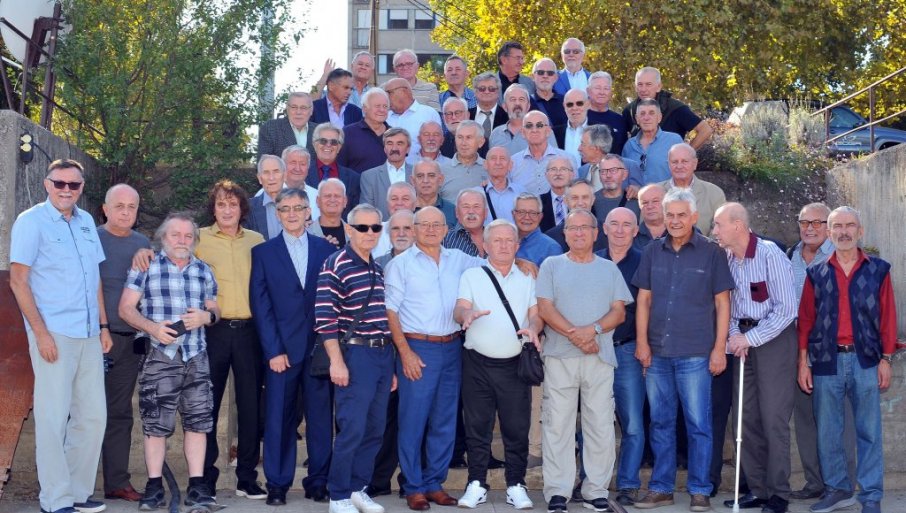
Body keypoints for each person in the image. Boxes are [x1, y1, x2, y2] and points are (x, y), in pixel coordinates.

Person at [10, 159, 111, 513]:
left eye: (74, 184)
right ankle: (54, 500)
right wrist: (40, 334)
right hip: (53, 332)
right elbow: (18, 281)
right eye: (60, 183)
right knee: (53, 418)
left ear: (81, 188)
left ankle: (77, 493)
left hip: (89, 334)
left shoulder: (86, 222)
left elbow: (93, 278)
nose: (66, 190)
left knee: (93, 417)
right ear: (47, 184)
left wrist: (103, 326)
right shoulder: (30, 222)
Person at [631, 189, 734, 512]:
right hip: (658, 352)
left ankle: (700, 490)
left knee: (698, 425)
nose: (675, 221)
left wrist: (719, 349)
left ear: (694, 217)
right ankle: (661, 488)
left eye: (681, 215)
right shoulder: (652, 251)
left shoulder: (712, 252)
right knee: (660, 423)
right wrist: (642, 343)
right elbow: (644, 300)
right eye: (670, 215)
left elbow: (723, 303)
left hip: (696, 352)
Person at [383, 207, 485, 511]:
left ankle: (434, 483)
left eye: (436, 224)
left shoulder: (459, 259)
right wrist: (405, 353)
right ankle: (413, 486)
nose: (430, 229)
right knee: (413, 420)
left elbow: (493, 264)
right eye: (424, 224)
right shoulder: (400, 265)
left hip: (452, 347)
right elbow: (390, 312)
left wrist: (523, 262)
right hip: (418, 348)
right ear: (414, 229)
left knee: (444, 420)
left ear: (445, 229)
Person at [119, 212, 221, 510]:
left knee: (199, 423)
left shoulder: (204, 270)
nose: (182, 240)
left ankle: (197, 487)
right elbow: (126, 308)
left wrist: (206, 317)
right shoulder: (146, 266)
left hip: (196, 355)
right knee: (155, 424)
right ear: (163, 237)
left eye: (188, 236)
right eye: (176, 235)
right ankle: (154, 488)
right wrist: (152, 328)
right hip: (160, 356)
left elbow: (215, 310)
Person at [797, 207, 896, 513]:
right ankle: (838, 489)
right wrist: (803, 362)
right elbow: (806, 319)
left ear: (860, 231)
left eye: (849, 225)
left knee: (869, 432)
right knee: (828, 432)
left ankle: (870, 496)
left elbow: (888, 317)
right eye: (837, 226)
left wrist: (886, 358)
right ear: (829, 233)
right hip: (826, 361)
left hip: (866, 360)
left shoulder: (878, 269)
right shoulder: (816, 272)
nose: (843, 231)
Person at [536, 208, 633, 513]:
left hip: (599, 358)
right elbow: (545, 308)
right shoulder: (551, 265)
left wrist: (592, 332)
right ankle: (558, 492)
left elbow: (619, 312)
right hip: (559, 357)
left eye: (584, 228)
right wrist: (576, 335)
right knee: (557, 425)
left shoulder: (609, 269)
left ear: (595, 233)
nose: (578, 233)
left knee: (600, 424)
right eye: (572, 228)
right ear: (564, 234)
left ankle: (595, 491)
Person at [249, 188, 337, 505]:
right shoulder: (263, 252)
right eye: (285, 209)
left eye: (297, 208)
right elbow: (260, 305)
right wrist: (273, 351)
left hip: (318, 350)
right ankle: (277, 483)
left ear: (308, 211)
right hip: (281, 352)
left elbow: (333, 301)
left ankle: (318, 481)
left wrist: (331, 348)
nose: (291, 214)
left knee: (320, 419)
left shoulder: (326, 250)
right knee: (278, 419)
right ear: (277, 214)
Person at [710, 203, 798, 513]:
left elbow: (787, 309)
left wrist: (750, 338)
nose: (714, 231)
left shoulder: (770, 254)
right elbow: (731, 306)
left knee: (773, 418)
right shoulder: (727, 258)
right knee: (745, 418)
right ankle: (758, 490)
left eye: (718, 224)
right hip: (743, 341)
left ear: (737, 225)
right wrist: (736, 336)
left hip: (774, 340)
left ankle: (779, 494)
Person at [454, 220, 543, 510]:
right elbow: (460, 307)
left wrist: (534, 328)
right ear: (485, 245)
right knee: (477, 427)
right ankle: (476, 483)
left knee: (516, 428)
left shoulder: (528, 276)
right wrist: (466, 315)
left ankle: (516, 484)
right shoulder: (472, 275)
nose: (503, 245)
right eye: (497, 240)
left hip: (514, 366)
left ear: (517, 246)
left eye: (509, 241)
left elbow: (535, 314)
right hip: (476, 364)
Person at [315, 204, 394, 513]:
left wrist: (390, 367)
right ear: (349, 229)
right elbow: (325, 318)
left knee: (375, 429)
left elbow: (382, 317)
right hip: (355, 355)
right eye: (363, 227)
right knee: (352, 429)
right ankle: (338, 495)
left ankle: (358, 488)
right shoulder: (335, 264)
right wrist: (337, 361)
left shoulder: (376, 267)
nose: (370, 233)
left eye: (376, 227)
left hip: (382, 355)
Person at [192, 181, 267, 499]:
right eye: (221, 204)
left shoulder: (256, 240)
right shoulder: (198, 239)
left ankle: (247, 477)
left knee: (251, 407)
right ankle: (206, 478)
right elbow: (169, 254)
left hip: (250, 332)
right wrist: (144, 251)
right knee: (207, 405)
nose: (226, 210)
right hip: (213, 332)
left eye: (232, 204)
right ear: (213, 208)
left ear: (242, 209)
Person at [788, 203, 856, 501]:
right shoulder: (790, 255)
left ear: (829, 227)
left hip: (832, 347)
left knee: (839, 419)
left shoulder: (841, 255)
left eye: (818, 222)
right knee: (805, 417)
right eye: (805, 222)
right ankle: (815, 482)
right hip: (797, 344)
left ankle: (843, 484)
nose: (810, 228)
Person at [97, 184, 151, 504]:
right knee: (83, 413)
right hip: (94, 339)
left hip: (128, 342)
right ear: (105, 209)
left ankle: (117, 482)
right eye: (119, 206)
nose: (126, 212)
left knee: (119, 414)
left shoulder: (142, 244)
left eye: (132, 207)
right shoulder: (91, 240)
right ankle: (73, 484)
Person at [595, 207, 645, 507]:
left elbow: (650, 307)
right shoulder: (592, 260)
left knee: (633, 423)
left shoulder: (645, 261)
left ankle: (628, 484)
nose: (620, 230)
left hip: (628, 349)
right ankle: (591, 481)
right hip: (594, 349)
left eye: (627, 225)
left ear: (636, 231)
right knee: (592, 420)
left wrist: (645, 345)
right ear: (604, 228)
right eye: (614, 224)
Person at [622, 66, 713, 149]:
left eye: (648, 84)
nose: (643, 89)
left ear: (659, 86)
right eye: (640, 84)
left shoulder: (676, 109)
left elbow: (705, 130)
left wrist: (687, 153)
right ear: (635, 87)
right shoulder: (629, 110)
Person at [660, 143, 726, 234]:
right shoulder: (654, 192)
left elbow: (720, 228)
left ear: (695, 164)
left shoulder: (714, 193)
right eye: (674, 162)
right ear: (668, 165)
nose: (679, 166)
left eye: (684, 161)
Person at [510, 111, 578, 196]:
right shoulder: (513, 162)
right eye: (529, 126)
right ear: (523, 132)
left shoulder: (568, 159)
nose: (534, 130)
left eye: (539, 125)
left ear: (548, 131)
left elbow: (576, 192)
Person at [621, 99, 684, 185]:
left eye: (651, 113)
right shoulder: (629, 145)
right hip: (637, 194)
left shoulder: (674, 141)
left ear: (659, 117)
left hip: (667, 193)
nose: (646, 118)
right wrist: (629, 187)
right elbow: (623, 176)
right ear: (637, 119)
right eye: (642, 113)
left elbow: (684, 172)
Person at [306, 123, 362, 214]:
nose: (328, 145)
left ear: (339, 147)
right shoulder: (303, 174)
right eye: (323, 141)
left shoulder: (353, 178)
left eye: (334, 142)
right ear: (314, 144)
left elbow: (355, 212)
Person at [360, 127, 414, 218]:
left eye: (399, 143)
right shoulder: (369, 176)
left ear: (408, 148)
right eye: (389, 143)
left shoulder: (417, 174)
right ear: (385, 148)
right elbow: (366, 212)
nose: (394, 148)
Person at [490, 84, 556, 156]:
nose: (517, 103)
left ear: (528, 106)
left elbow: (554, 159)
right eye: (513, 99)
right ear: (505, 107)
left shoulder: (544, 131)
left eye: (521, 99)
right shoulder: (496, 134)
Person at [385, 78, 442, 158]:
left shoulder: (429, 114)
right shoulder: (385, 117)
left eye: (389, 92)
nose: (386, 97)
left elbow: (436, 144)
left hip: (422, 165)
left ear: (404, 91)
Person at [338, 88, 392, 172]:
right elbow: (339, 167)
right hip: (357, 181)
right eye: (377, 106)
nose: (382, 110)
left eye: (385, 106)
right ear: (364, 108)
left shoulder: (394, 134)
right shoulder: (348, 133)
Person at [545, 179, 606, 252]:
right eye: (575, 198)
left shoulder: (607, 232)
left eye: (585, 197)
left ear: (593, 200)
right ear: (565, 201)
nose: (580, 203)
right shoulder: (552, 237)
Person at [258, 92, 317, 159]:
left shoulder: (319, 131)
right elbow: (264, 162)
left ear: (311, 111)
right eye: (294, 107)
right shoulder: (270, 128)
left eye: (303, 108)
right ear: (287, 109)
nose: (298, 112)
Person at [439, 121, 487, 202]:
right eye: (460, 137)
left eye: (469, 137)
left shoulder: (490, 169)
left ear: (481, 142)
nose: (463, 143)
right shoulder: (441, 171)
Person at [513, 192, 562, 266]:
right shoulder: (504, 241)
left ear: (540, 217)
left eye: (533, 213)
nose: (527, 217)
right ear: (513, 214)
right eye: (521, 212)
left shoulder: (551, 248)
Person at [586, 72, 629, 155]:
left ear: (611, 92)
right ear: (588, 91)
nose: (602, 92)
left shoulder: (620, 120)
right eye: (597, 88)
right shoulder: (581, 118)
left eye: (606, 88)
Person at [247, 154, 286, 240]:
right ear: (259, 178)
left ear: (284, 175)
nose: (271, 178)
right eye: (266, 172)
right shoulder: (248, 208)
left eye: (276, 172)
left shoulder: (299, 204)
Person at [592, 154, 640, 223]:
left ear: (625, 174)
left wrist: (641, 192)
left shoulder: (636, 199)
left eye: (613, 170)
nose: (608, 175)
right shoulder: (592, 201)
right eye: (603, 171)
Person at [442, 189, 489, 257]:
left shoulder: (496, 237)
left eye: (476, 206)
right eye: (466, 207)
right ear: (457, 212)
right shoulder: (445, 239)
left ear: (486, 213)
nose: (471, 211)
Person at [412, 159, 457, 229]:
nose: (425, 181)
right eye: (420, 176)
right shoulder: (405, 209)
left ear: (440, 180)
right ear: (413, 181)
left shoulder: (453, 211)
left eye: (431, 176)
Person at [282, 145, 322, 221]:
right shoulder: (268, 195)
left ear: (308, 168)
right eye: (293, 163)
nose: (298, 168)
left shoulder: (317, 196)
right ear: (283, 165)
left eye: (302, 164)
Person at [483, 146, 521, 223]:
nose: (498, 163)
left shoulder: (521, 192)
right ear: (485, 164)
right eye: (493, 158)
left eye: (502, 158)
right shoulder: (476, 194)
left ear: (510, 165)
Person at [309, 179, 351, 249]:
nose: (332, 200)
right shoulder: (305, 234)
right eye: (327, 196)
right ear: (318, 201)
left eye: (337, 196)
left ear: (345, 201)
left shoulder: (357, 234)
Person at [552, 88, 590, 161]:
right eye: (569, 104)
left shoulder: (599, 131)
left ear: (588, 104)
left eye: (579, 103)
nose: (574, 108)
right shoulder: (554, 133)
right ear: (564, 106)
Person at [539, 157, 575, 232]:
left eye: (563, 169)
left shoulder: (580, 201)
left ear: (572, 174)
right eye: (553, 169)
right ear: (546, 175)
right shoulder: (538, 203)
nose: (558, 173)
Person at [470, 71, 509, 141]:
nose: (487, 92)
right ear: (475, 92)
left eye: (491, 89)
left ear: (498, 92)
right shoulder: (466, 115)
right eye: (482, 89)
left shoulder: (507, 117)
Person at [529, 58, 567, 128]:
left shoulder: (566, 102)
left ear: (556, 78)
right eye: (540, 72)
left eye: (550, 73)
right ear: (533, 77)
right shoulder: (527, 103)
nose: (545, 76)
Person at [633, 184, 667, 249]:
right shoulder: (631, 236)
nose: (650, 206)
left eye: (655, 201)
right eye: (645, 203)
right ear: (639, 206)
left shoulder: (679, 233)